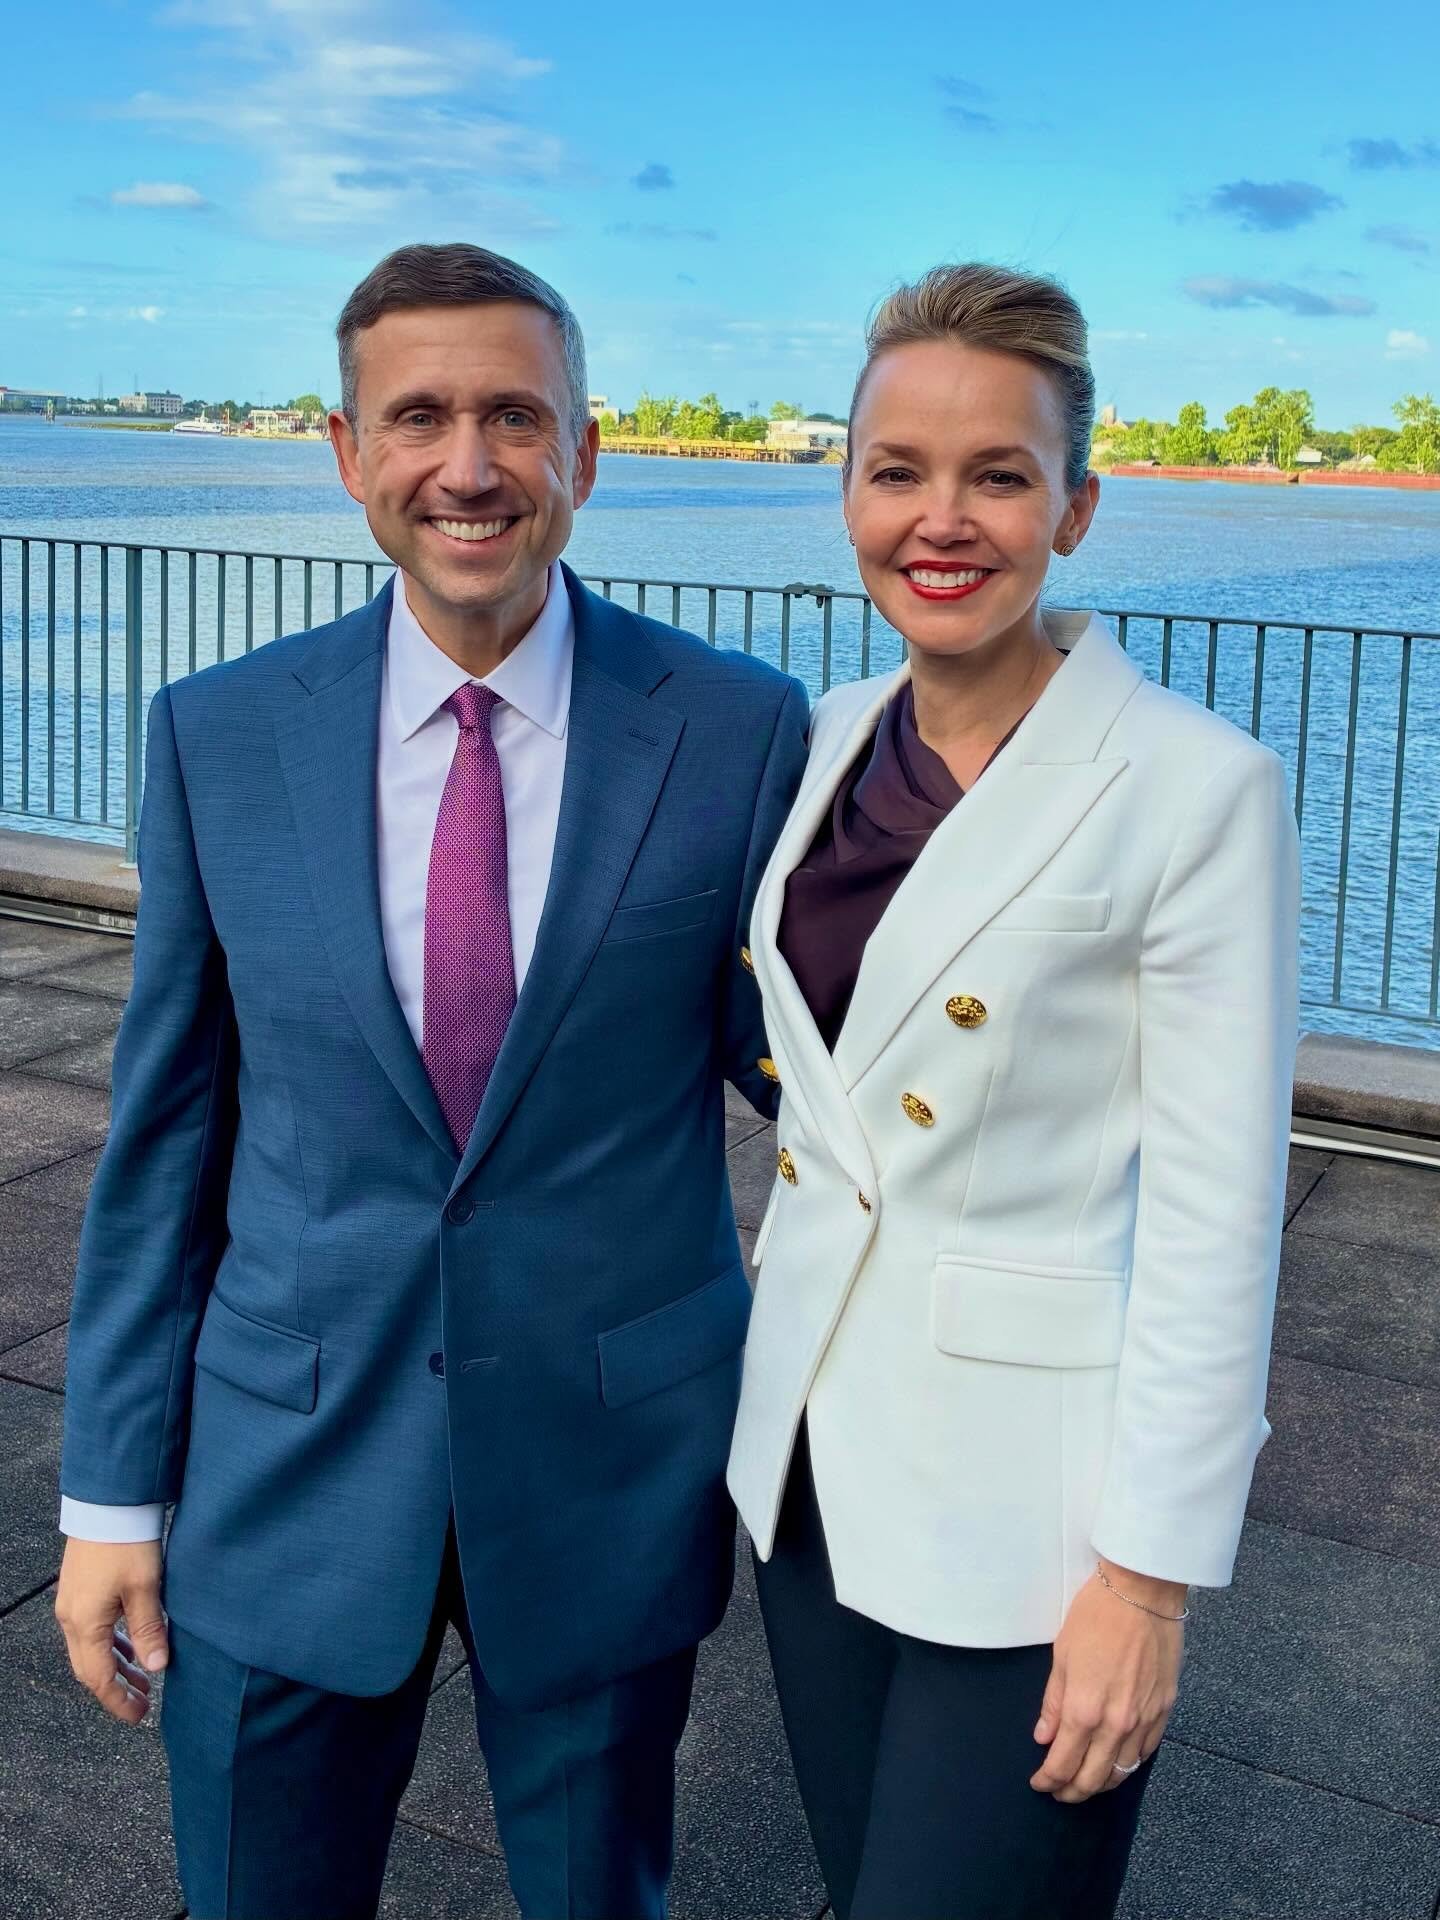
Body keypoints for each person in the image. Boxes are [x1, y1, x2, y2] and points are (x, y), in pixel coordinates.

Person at [54, 242, 808, 1920]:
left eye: (514, 417)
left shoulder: (746, 732)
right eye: (419, 417)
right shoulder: (214, 735)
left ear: (586, 453)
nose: (467, 465)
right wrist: (112, 1491)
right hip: (286, 1471)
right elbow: (165, 1138)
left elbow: (820, 1085)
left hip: (613, 1466)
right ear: (346, 453)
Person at [727, 263, 1300, 1920]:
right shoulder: (829, 734)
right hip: (819, 1458)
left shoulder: (1195, 787)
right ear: (846, 489)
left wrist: (1152, 1583)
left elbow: (1215, 1215)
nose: (941, 517)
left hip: (1040, 1525)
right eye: (897, 468)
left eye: (1000, 474)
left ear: (1079, 508)